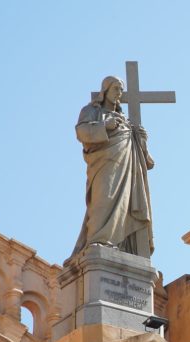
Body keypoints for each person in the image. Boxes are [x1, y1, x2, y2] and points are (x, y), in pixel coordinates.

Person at [70, 76, 155, 260]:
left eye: (121, 89)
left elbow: (146, 163)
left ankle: (121, 245)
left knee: (124, 207)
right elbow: (81, 132)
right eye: (116, 88)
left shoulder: (126, 123)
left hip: (126, 173)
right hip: (103, 165)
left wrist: (142, 143)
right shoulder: (92, 111)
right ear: (105, 90)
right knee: (103, 200)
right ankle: (98, 241)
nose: (119, 93)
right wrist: (104, 126)